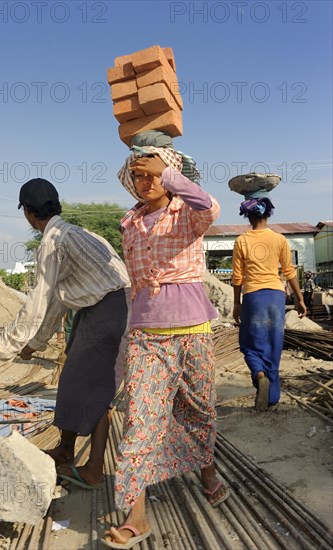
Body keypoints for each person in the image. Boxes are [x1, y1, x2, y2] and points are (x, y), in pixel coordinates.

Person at [102, 138, 228, 549]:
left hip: (192, 330)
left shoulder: (188, 214)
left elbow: (211, 206)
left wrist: (166, 169)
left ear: (169, 177)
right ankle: (136, 514)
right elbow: (135, 283)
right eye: (138, 175)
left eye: (153, 174)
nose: (146, 181)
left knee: (198, 408)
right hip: (146, 335)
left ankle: (206, 469)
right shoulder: (129, 224)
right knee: (141, 419)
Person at [0, 178, 130, 488]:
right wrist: (33, 343)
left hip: (109, 311)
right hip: (108, 307)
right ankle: (64, 450)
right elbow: (60, 298)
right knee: (73, 378)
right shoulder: (77, 234)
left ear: (28, 214)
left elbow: (38, 302)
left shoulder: (53, 241)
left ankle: (94, 470)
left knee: (98, 389)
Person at [231, 194, 307, 412]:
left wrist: (237, 304)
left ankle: (259, 375)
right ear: (268, 213)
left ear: (248, 216)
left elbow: (237, 277)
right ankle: (271, 398)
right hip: (276, 296)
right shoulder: (279, 239)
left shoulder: (241, 241)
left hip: (253, 296)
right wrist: (300, 299)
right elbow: (289, 271)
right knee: (273, 345)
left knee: (250, 345)